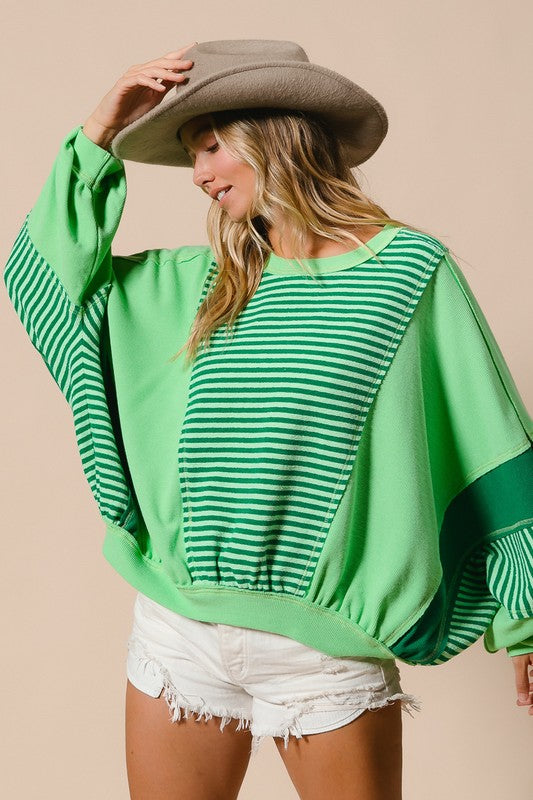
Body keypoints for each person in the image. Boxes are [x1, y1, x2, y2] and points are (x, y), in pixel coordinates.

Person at [3, 38, 532, 800]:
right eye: (193, 153)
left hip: (323, 654)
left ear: (273, 137)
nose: (198, 174)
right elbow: (45, 280)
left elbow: (489, 433)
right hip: (177, 633)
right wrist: (97, 133)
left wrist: (524, 620)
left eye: (211, 146)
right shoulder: (194, 284)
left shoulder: (404, 275)